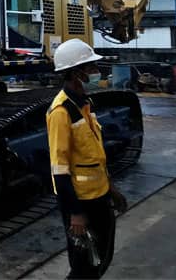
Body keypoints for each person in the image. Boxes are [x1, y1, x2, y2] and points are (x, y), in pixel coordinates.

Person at [47, 39, 129, 279]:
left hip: (99, 196)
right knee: (84, 267)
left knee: (101, 257)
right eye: (91, 67)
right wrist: (75, 213)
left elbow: (93, 156)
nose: (96, 72)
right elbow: (59, 170)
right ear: (76, 73)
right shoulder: (61, 112)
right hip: (82, 203)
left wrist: (111, 189)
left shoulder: (84, 104)